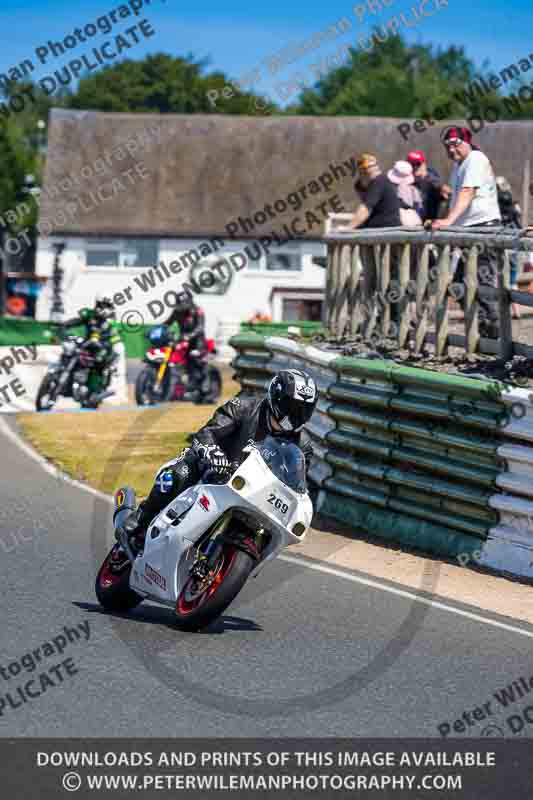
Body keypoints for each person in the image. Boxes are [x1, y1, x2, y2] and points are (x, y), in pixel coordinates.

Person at [119, 369, 318, 550]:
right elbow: (208, 432)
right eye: (291, 407)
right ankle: (142, 517)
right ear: (276, 397)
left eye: (303, 410)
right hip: (214, 466)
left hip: (253, 493)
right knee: (180, 473)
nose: (295, 416)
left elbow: (296, 485)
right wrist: (213, 453)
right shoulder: (246, 404)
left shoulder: (303, 446)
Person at [432, 126, 502, 338]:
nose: (451, 150)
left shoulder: (476, 159)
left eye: (455, 144)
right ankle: (483, 332)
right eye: (447, 146)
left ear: (466, 142)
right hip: (467, 231)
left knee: (483, 285)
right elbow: (456, 198)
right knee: (459, 285)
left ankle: (494, 337)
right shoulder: (458, 166)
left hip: (483, 229)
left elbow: (468, 192)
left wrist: (448, 221)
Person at [163, 292, 210, 401]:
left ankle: (205, 383)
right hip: (183, 340)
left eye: (182, 304)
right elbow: (168, 323)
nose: (180, 307)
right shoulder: (177, 311)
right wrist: (159, 329)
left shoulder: (198, 311)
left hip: (197, 342)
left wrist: (189, 335)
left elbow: (200, 327)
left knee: (196, 359)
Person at [350, 153, 401, 229]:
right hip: (374, 225)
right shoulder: (360, 185)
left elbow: (365, 209)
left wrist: (348, 228)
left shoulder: (380, 181)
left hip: (387, 228)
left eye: (375, 165)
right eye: (369, 167)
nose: (374, 169)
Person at [406, 150, 450, 222]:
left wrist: (443, 190)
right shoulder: (406, 180)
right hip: (412, 223)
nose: (415, 167)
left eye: (418, 164)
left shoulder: (433, 180)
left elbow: (444, 191)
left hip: (429, 225)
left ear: (424, 164)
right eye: (411, 164)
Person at [387, 160, 423, 226]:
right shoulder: (415, 190)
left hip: (400, 222)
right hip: (414, 221)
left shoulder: (389, 189)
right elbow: (419, 208)